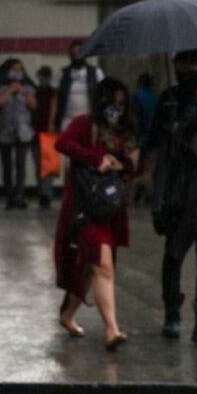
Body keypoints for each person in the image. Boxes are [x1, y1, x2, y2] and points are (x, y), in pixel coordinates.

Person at [143, 49, 197, 345]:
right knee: (173, 253)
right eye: (179, 70)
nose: (185, 76)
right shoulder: (170, 99)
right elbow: (154, 139)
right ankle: (172, 314)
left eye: (190, 70)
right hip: (178, 191)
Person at [54, 77, 138, 352]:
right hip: (86, 207)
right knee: (103, 265)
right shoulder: (85, 124)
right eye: (112, 103)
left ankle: (68, 314)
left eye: (121, 104)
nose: (116, 109)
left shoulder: (124, 132)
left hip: (110, 208)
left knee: (90, 267)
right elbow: (62, 143)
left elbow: (132, 169)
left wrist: (123, 164)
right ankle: (112, 329)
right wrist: (96, 159)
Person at [0, 58, 37, 210]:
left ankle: (20, 196)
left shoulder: (28, 86)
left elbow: (33, 104)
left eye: (20, 69)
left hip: (23, 131)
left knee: (21, 165)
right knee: (7, 165)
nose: (17, 72)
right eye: (14, 69)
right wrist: (10, 90)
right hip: (4, 131)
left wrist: (22, 91)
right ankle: (9, 197)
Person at [54, 40, 104, 132]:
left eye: (79, 53)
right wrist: (52, 122)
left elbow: (103, 95)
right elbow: (55, 99)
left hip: (88, 119)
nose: (77, 56)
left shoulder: (95, 72)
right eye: (74, 54)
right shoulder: (63, 73)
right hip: (67, 119)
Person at [130, 72, 158, 205]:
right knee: (149, 168)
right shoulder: (156, 98)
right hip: (154, 138)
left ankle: (135, 196)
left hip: (141, 137)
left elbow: (134, 118)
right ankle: (145, 197)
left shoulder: (136, 97)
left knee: (137, 168)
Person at [33, 65, 58, 209]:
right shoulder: (35, 92)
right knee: (40, 166)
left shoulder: (52, 93)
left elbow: (54, 110)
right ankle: (43, 192)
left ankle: (46, 194)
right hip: (37, 132)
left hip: (48, 132)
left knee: (48, 166)